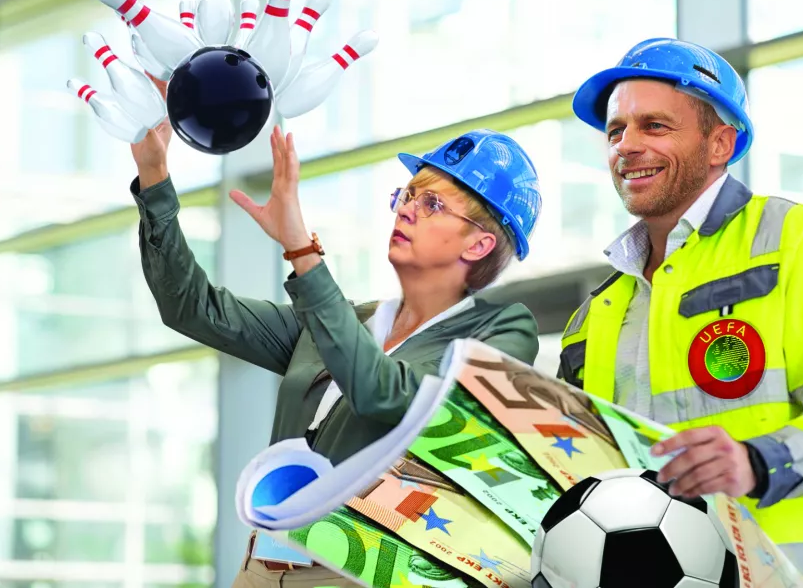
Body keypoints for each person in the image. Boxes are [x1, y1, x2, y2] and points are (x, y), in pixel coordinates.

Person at [130, 78, 543, 588]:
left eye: (433, 204)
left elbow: (383, 395)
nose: (406, 208)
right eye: (409, 194)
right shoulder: (346, 319)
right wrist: (155, 180)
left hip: (362, 574)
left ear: (479, 245)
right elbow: (191, 307)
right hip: (264, 566)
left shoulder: (501, 332)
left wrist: (302, 252)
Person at [556, 38, 803, 588]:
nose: (626, 146)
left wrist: (759, 460)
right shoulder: (598, 311)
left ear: (721, 142)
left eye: (654, 126)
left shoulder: (801, 239)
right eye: (615, 131)